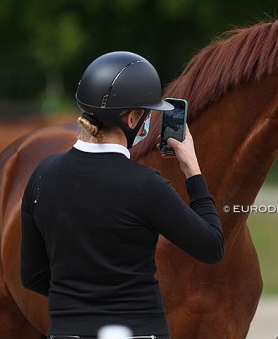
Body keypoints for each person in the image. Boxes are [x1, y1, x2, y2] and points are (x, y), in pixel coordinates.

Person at [21, 51, 224, 339]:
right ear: (132, 118)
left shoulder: (42, 175)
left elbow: (32, 275)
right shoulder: (146, 186)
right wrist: (193, 169)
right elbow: (212, 246)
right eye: (146, 115)